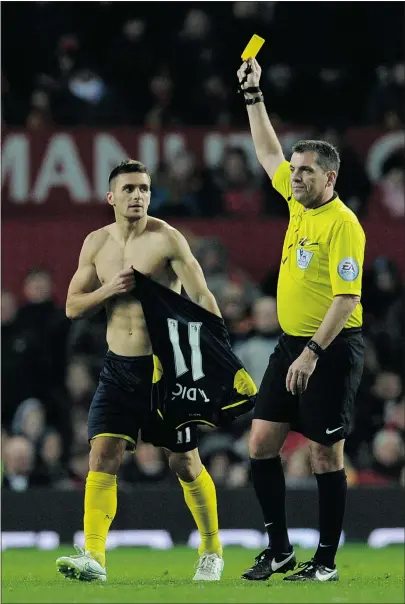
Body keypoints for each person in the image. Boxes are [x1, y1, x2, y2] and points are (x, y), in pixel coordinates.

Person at [56, 160, 224, 582]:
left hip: (166, 369)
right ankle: (94, 557)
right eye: (129, 188)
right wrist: (109, 289)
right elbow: (72, 306)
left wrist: (221, 358)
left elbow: (201, 294)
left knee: (184, 463)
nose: (138, 196)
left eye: (145, 189)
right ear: (111, 196)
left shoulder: (167, 239)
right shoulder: (96, 244)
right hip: (118, 368)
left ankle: (211, 548)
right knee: (101, 455)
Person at [237, 59, 366, 582]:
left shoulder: (343, 224)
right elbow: (267, 149)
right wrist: (253, 96)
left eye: (305, 170)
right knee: (261, 443)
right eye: (293, 169)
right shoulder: (296, 205)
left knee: (323, 453)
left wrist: (314, 352)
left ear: (329, 176)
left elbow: (347, 296)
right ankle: (280, 549)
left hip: (330, 349)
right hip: (291, 345)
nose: (293, 175)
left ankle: (327, 561)